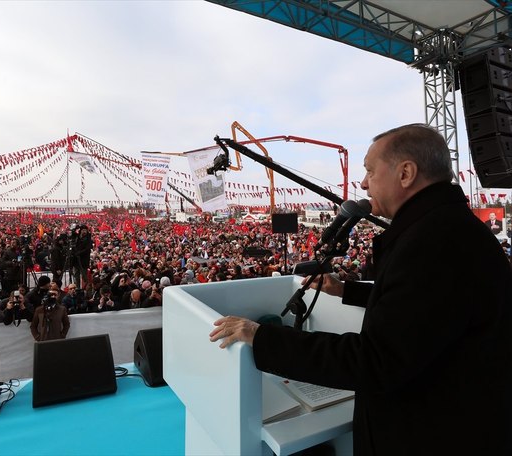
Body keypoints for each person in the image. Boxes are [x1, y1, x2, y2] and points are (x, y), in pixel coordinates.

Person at [209, 124, 512, 455]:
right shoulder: (450, 229)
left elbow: (376, 360)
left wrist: (261, 336)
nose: (364, 183)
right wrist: (347, 291)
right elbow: (433, 312)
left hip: (433, 434)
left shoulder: (431, 244)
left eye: (370, 170)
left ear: (406, 173)